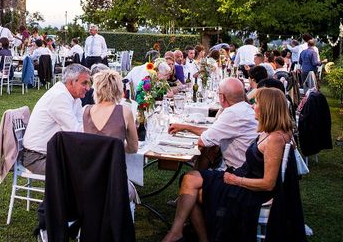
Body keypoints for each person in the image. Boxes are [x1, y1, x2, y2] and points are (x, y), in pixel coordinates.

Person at [162, 88, 296, 242]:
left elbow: (268, 184)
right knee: (190, 179)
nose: (253, 106)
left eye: (257, 103)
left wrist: (235, 180)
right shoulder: (273, 131)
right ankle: (178, 232)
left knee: (191, 192)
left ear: (268, 108)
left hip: (250, 191)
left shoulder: (275, 139)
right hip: (243, 177)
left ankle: (187, 235)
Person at [169, 77, 258, 170]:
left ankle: (199, 176)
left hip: (239, 171)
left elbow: (203, 141)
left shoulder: (232, 113)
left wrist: (186, 127)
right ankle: (200, 175)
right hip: (249, 166)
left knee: (190, 177)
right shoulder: (244, 107)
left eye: (218, 93)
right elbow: (213, 133)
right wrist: (185, 127)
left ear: (222, 97)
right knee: (209, 149)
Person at [21, 64, 91, 174]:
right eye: (84, 83)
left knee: (92, 162)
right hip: (37, 158)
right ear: (71, 82)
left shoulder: (74, 98)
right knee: (85, 169)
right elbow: (76, 131)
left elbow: (80, 126)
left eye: (88, 83)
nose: (88, 88)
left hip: (53, 153)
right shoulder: (59, 96)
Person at [83, 69, 139, 198]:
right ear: (119, 89)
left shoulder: (84, 111)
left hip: (87, 175)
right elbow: (133, 148)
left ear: (96, 89)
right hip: (114, 178)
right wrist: (116, 146)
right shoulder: (125, 112)